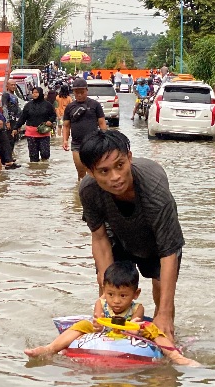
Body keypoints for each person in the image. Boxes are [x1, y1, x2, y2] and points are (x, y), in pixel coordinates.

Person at [77, 130, 184, 342]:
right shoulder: (88, 190)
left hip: (156, 239)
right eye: (104, 171)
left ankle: (166, 331)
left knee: (161, 291)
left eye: (120, 165)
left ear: (130, 158)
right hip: (117, 234)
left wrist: (163, 314)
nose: (115, 177)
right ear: (90, 172)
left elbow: (169, 252)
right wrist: (103, 302)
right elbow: (99, 239)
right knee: (111, 287)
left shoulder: (155, 192)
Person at [24, 261, 199, 366]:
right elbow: (97, 322)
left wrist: (134, 330)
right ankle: (50, 349)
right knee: (82, 325)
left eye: (123, 296)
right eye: (110, 294)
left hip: (128, 334)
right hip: (104, 333)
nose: (116, 301)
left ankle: (176, 356)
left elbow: (136, 324)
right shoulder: (101, 303)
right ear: (104, 292)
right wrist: (97, 325)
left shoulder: (137, 308)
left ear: (135, 294)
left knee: (150, 328)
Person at [62, 77, 107, 180]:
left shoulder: (95, 105)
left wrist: (105, 138)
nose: (79, 95)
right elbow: (66, 125)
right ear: (73, 92)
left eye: (82, 92)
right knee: (81, 172)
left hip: (93, 143)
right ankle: (80, 192)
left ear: (86, 90)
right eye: (76, 92)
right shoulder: (70, 107)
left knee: (93, 171)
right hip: (77, 144)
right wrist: (65, 140)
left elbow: (102, 123)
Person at [15, 87, 57, 162]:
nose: (34, 94)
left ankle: (43, 170)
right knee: (33, 157)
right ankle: (34, 172)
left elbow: (53, 115)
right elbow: (23, 118)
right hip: (31, 134)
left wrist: (50, 121)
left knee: (45, 154)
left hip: (44, 133)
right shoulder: (28, 105)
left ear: (40, 93)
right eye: (33, 92)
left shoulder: (47, 105)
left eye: (36, 92)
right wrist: (16, 128)